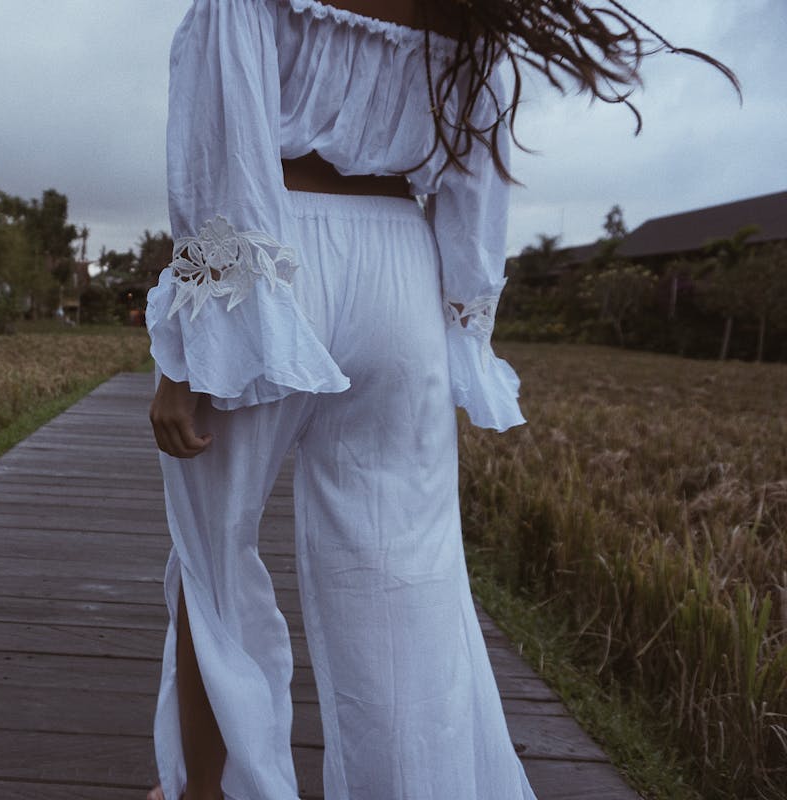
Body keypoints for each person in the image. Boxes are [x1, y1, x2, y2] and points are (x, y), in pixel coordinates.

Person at [143, 2, 737, 798]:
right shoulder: (468, 12)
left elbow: (223, 155)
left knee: (213, 555)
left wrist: (188, 356)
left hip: (277, 249)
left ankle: (208, 793)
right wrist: (464, 325)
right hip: (401, 268)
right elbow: (476, 187)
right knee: (401, 571)